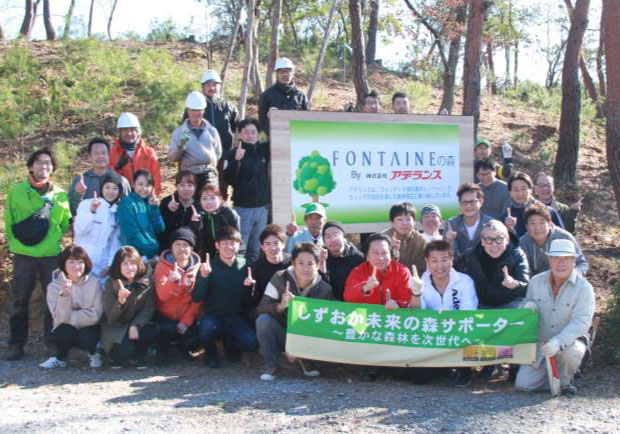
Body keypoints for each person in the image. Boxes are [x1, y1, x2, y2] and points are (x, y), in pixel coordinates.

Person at [4, 148, 71, 361]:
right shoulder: (16, 191)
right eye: (40, 162)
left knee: (52, 300)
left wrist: (54, 239)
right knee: (20, 299)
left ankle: (52, 344)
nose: (44, 166)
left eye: (49, 163)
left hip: (50, 254)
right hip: (23, 254)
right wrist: (16, 244)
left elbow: (64, 223)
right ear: (31, 166)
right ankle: (16, 344)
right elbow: (9, 220)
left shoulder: (60, 194)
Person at [516, 239, 595, 396]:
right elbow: (524, 306)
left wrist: (558, 342)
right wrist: (526, 308)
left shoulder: (584, 288)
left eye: (566, 258)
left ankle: (566, 380)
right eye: (556, 258)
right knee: (524, 385)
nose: (561, 263)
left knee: (570, 354)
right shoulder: (535, 282)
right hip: (541, 344)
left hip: (569, 342)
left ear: (573, 261)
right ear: (549, 260)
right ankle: (552, 374)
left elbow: (581, 323)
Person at [256, 243, 333, 381]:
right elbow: (262, 307)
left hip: (307, 335)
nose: (305, 268)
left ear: (317, 264)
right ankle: (271, 366)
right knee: (263, 320)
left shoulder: (325, 289)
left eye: (310, 263)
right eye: (301, 263)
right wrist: (281, 305)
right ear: (293, 263)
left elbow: (326, 323)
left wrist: (298, 345)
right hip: (283, 331)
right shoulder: (279, 277)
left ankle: (307, 361)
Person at [405, 240, 478, 386]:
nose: (440, 266)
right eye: (434, 261)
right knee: (417, 378)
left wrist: (448, 316)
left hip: (458, 334)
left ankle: (463, 368)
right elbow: (416, 313)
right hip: (432, 336)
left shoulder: (464, 281)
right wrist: (416, 293)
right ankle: (442, 367)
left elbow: (468, 312)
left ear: (451, 259)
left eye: (445, 260)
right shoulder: (421, 282)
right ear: (427, 261)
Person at [344, 233, 413, 381]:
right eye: (375, 253)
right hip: (369, 325)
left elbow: (408, 298)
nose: (380, 258)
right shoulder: (359, 271)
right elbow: (348, 296)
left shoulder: (402, 271)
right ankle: (371, 365)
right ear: (367, 255)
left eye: (384, 253)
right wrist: (365, 288)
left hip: (393, 323)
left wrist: (399, 304)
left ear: (391, 254)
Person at [193, 226, 258, 368]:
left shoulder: (245, 265)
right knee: (206, 327)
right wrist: (203, 277)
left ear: (239, 244)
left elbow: (251, 300)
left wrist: (250, 287)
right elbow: (196, 297)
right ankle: (210, 352)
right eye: (224, 243)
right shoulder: (209, 267)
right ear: (217, 246)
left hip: (237, 317)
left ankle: (230, 344)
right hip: (214, 317)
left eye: (233, 243)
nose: (229, 247)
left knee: (251, 342)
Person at [39, 246, 103, 369]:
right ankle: (59, 358)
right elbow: (59, 317)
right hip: (66, 326)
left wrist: (72, 317)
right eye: (71, 262)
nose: (76, 266)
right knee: (63, 331)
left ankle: (94, 353)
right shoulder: (54, 286)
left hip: (89, 326)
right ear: (64, 264)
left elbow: (96, 314)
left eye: (80, 262)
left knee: (87, 337)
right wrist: (64, 296)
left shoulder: (94, 283)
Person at [223, 118, 270, 264]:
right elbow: (229, 179)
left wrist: (269, 116)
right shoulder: (232, 154)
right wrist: (236, 161)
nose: (250, 135)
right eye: (246, 132)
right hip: (243, 208)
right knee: (240, 247)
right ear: (240, 135)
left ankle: (253, 280)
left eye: (253, 132)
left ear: (258, 134)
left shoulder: (264, 150)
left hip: (262, 207)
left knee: (256, 248)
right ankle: (239, 277)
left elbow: (278, 134)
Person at [153, 227, 203, 363]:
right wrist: (171, 282)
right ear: (171, 247)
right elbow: (161, 296)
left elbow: (198, 299)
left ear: (192, 249)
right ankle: (162, 351)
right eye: (178, 244)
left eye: (186, 245)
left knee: (197, 337)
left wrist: (186, 321)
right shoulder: (162, 266)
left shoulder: (198, 268)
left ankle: (183, 349)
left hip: (185, 314)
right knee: (166, 329)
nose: (182, 249)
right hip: (164, 315)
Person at [454, 220, 529, 308]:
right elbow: (453, 275)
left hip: (510, 303)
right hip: (480, 304)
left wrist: (514, 284)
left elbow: (527, 287)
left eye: (499, 239)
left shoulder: (517, 255)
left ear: (507, 240)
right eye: (489, 239)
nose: (494, 244)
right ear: (482, 241)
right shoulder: (470, 256)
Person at [194, 69, 239, 199]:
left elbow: (238, 127)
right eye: (208, 85)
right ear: (203, 87)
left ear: (219, 86)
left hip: (224, 155)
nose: (211, 88)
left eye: (214, 84)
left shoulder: (228, 106)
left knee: (223, 189)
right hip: (202, 157)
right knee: (204, 190)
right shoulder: (195, 107)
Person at [74, 171, 124, 283]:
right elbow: (79, 230)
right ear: (101, 188)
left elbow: (115, 242)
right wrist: (92, 211)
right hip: (83, 260)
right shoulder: (87, 204)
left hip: (103, 266)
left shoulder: (116, 211)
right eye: (107, 187)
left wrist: (110, 264)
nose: (111, 192)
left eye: (115, 188)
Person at [169, 91, 222, 196]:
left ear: (203, 111)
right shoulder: (179, 132)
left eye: (199, 110)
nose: (196, 113)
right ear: (188, 110)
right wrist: (180, 147)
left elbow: (218, 152)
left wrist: (209, 165)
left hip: (209, 174)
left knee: (210, 203)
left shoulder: (212, 131)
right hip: (188, 175)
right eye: (193, 110)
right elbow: (172, 158)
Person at [519, 203, 587, 276]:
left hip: (564, 281)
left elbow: (581, 264)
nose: (537, 228)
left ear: (549, 223)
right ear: (527, 226)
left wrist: (572, 276)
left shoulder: (564, 237)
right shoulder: (523, 242)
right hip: (536, 284)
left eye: (542, 223)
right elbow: (523, 272)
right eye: (532, 223)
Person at [68, 137, 131, 216]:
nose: (100, 156)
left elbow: (129, 209)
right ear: (89, 156)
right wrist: (78, 193)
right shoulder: (80, 181)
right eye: (96, 153)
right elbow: (72, 211)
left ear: (109, 155)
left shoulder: (121, 181)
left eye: (103, 153)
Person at [117, 169, 165, 260]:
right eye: (140, 184)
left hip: (152, 252)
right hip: (135, 254)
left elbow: (160, 229)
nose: (144, 189)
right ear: (133, 184)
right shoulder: (127, 203)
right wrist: (150, 249)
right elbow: (131, 233)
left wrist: (154, 209)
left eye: (148, 185)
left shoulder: (150, 202)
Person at [109, 112, 162, 195]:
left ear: (138, 131)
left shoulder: (148, 152)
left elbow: (156, 179)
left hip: (145, 197)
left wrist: (152, 197)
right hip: (122, 199)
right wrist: (117, 167)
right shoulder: (112, 152)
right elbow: (108, 179)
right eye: (125, 130)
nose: (129, 133)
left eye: (132, 129)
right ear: (120, 132)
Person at [248, 224, 292, 321]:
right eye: (268, 244)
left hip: (292, 308)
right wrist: (249, 287)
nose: (273, 248)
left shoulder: (293, 262)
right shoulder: (255, 267)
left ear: (284, 244)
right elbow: (253, 300)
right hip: (268, 309)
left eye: (276, 243)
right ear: (262, 247)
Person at [502, 171, 564, 237]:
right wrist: (509, 230)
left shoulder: (548, 212)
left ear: (531, 189)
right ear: (510, 192)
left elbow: (563, 238)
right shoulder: (506, 217)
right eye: (515, 190)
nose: (520, 193)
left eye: (523, 189)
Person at [258, 57, 308, 136]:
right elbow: (262, 121)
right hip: (274, 140)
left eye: (287, 71)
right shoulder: (266, 95)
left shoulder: (301, 96)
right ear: (277, 74)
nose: (284, 74)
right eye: (281, 71)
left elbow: (306, 119)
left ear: (293, 73)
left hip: (296, 138)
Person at [444, 183, 493, 258]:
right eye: (464, 202)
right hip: (459, 267)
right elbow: (447, 256)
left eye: (472, 202)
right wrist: (449, 241)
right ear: (460, 204)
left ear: (481, 201)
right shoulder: (451, 224)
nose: (468, 206)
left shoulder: (490, 223)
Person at [194, 183, 240, 260]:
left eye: (212, 198)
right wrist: (194, 224)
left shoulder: (229, 214)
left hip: (227, 255)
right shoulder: (198, 215)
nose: (208, 202)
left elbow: (237, 238)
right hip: (206, 257)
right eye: (204, 198)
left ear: (220, 199)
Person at [158, 170, 200, 253]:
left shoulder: (199, 206)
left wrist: (195, 223)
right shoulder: (166, 202)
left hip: (190, 251)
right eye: (182, 185)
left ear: (195, 187)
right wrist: (169, 212)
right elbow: (160, 229)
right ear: (176, 186)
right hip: (167, 249)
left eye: (190, 185)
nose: (186, 189)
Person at [322, 221, 364, 301]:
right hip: (329, 304)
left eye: (335, 235)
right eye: (328, 237)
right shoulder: (321, 258)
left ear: (344, 237)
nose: (332, 240)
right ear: (324, 241)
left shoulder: (358, 258)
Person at [382, 202, 426, 273]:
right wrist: (392, 252)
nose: (404, 223)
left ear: (414, 221)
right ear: (392, 222)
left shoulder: (420, 240)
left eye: (408, 219)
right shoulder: (383, 238)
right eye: (400, 219)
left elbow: (421, 267)